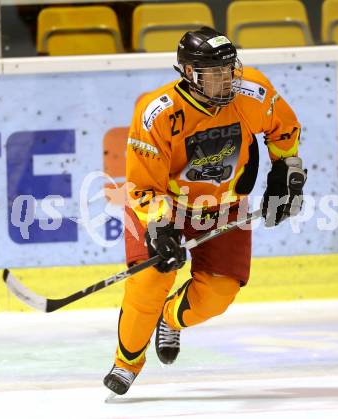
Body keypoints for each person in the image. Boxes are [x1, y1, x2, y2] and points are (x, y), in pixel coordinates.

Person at [103, 27, 307, 395]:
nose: (226, 80)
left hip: (225, 206)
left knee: (217, 295)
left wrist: (285, 172)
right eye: (213, 73)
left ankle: (169, 318)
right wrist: (160, 230)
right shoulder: (158, 113)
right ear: (188, 73)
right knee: (148, 283)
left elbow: (285, 130)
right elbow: (142, 187)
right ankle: (127, 362)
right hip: (165, 205)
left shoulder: (252, 92)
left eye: (229, 69)